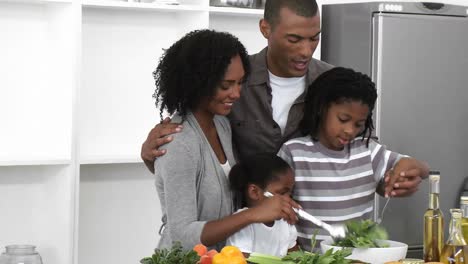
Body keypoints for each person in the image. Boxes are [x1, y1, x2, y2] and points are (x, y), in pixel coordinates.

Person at [140, 0, 423, 200]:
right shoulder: (232, 80)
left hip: (313, 240)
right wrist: (150, 154)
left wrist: (392, 180)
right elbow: (192, 155)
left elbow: (358, 155)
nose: (306, 50)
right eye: (294, 39)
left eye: (314, 38)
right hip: (244, 234)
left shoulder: (332, 84)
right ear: (265, 28)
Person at [151, 29, 298, 251]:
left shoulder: (221, 124)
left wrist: (272, 202)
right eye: (225, 85)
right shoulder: (179, 144)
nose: (237, 94)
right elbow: (181, 237)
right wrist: (252, 214)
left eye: (240, 83)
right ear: (197, 82)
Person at [277, 67, 430, 250]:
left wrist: (409, 167)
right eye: (343, 119)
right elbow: (276, 207)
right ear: (321, 108)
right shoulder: (294, 152)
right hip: (309, 258)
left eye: (359, 124)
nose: (350, 130)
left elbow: (422, 169)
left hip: (359, 258)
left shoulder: (367, 151)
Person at [226, 153, 298, 257]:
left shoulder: (284, 222)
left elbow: (296, 256)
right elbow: (240, 260)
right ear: (254, 192)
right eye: (282, 193)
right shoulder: (241, 224)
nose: (288, 200)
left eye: (290, 194)